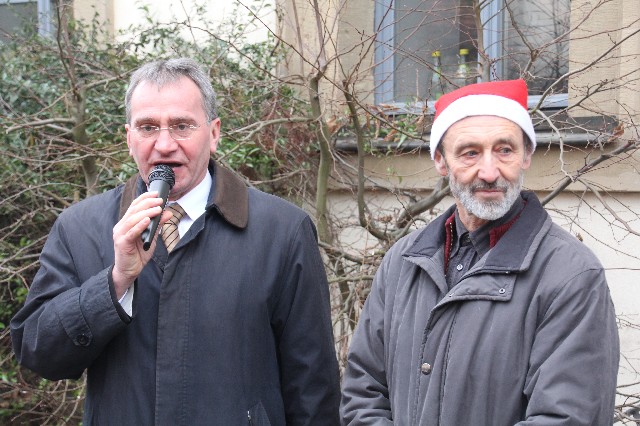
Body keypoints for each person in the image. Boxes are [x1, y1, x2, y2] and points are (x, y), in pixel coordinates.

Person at [11, 58, 340, 425]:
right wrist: (115, 283)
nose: (164, 145)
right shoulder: (79, 228)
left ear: (214, 133)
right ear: (129, 138)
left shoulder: (282, 231)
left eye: (182, 126)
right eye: (148, 127)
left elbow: (313, 389)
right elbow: (38, 353)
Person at [340, 79, 619, 425]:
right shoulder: (403, 262)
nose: (489, 172)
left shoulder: (571, 276)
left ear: (526, 156)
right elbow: (362, 393)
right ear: (441, 161)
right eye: (470, 153)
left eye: (505, 150)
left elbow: (566, 418)